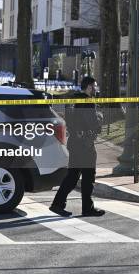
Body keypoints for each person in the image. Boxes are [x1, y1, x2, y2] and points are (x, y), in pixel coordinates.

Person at [50, 76, 105, 217]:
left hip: (74, 143)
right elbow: (93, 123)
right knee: (88, 177)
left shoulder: (73, 101)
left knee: (73, 176)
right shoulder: (87, 102)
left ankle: (57, 204)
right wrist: (99, 119)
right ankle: (87, 208)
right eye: (94, 86)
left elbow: (70, 120)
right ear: (88, 87)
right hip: (85, 145)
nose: (95, 89)